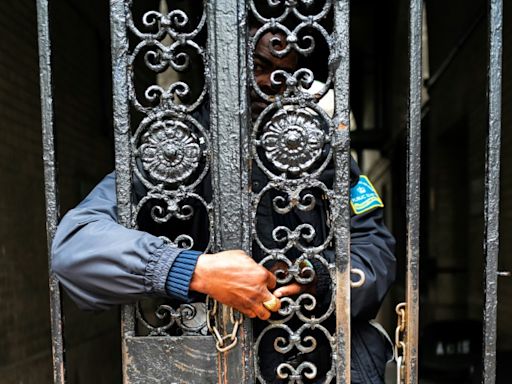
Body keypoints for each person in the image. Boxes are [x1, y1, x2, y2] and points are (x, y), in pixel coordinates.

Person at [52, 28, 396, 383]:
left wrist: (319, 279)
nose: (270, 83)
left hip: (317, 362)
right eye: (258, 65)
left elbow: (376, 250)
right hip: (211, 362)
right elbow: (76, 247)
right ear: (220, 62)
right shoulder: (173, 151)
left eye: (286, 73)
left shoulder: (320, 149)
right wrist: (194, 270)